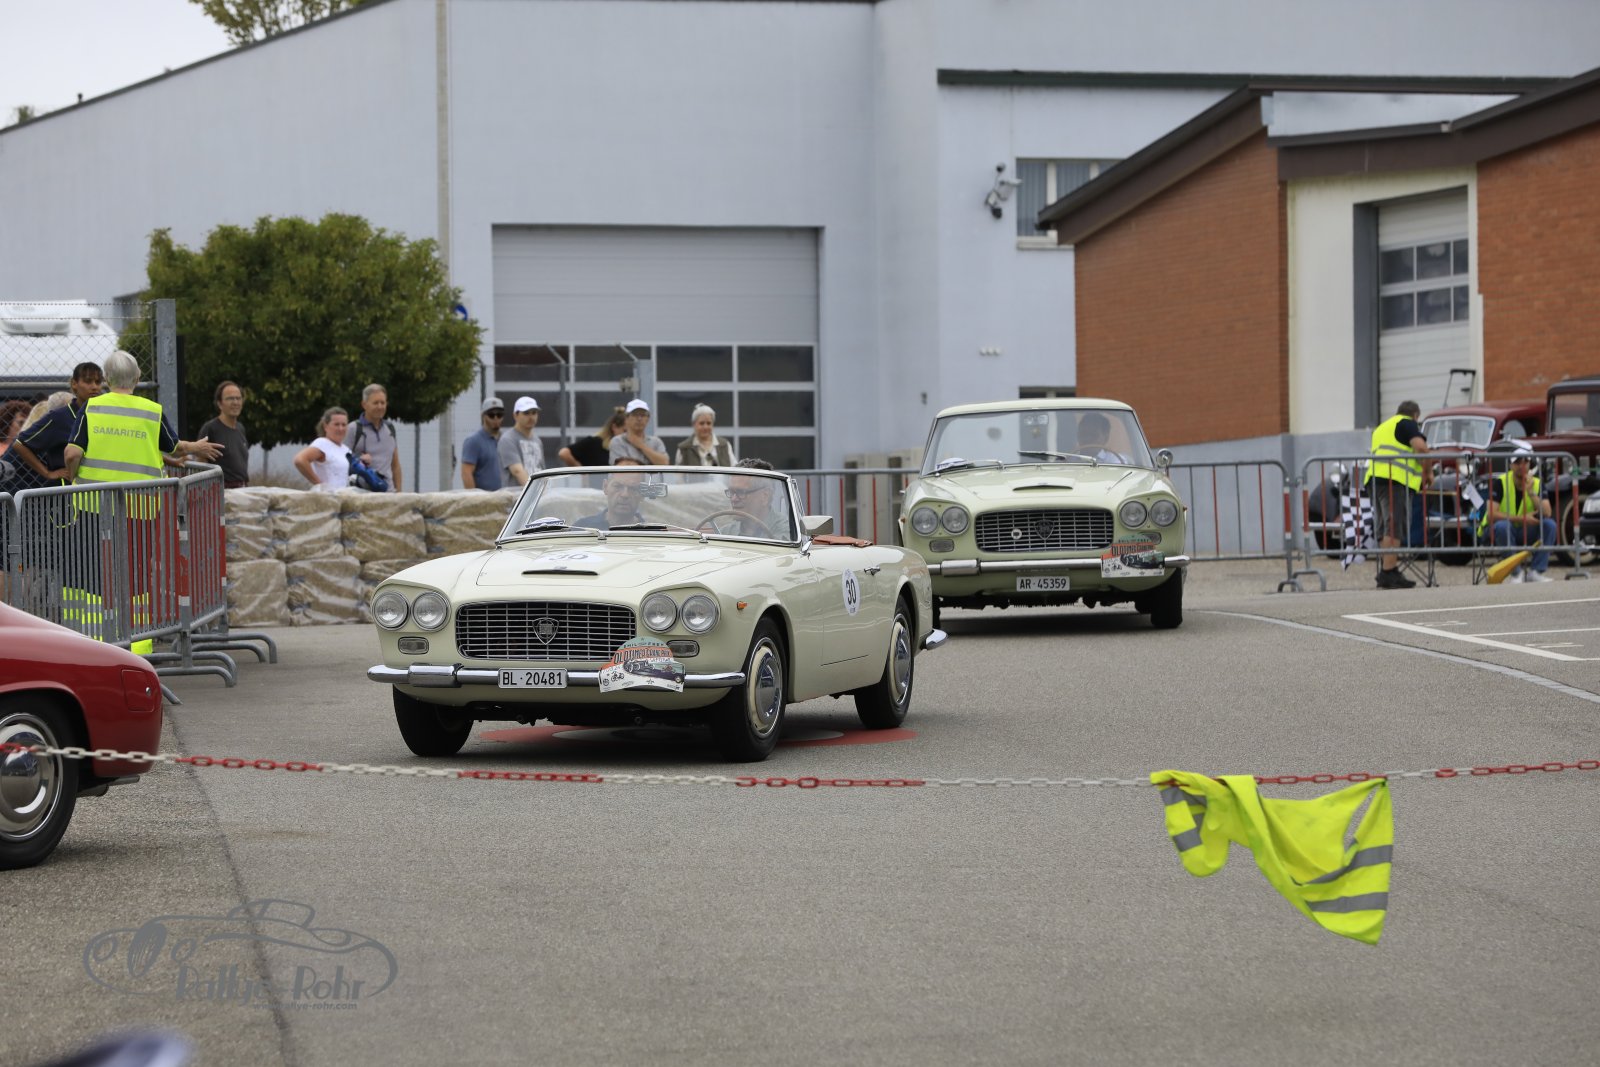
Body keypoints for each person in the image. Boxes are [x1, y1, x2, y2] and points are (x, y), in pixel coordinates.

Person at [1363, 399, 1430, 590]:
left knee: (1385, 526)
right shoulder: (1407, 423)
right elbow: (1421, 448)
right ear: (1415, 415)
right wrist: (1428, 472)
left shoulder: (1382, 427)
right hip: (1394, 481)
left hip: (1375, 480)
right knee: (1394, 525)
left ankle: (1388, 569)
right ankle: (1388, 572)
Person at [8, 362, 104, 487]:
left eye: (98, 382)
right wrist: (48, 473)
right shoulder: (59, 417)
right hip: (65, 492)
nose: (94, 387)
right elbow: (20, 444)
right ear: (74, 384)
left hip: (96, 488)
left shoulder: (103, 415)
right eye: (88, 381)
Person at [1479, 448, 1559, 583]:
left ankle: (1536, 572)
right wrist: (1522, 518)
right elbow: (1491, 515)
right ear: (1510, 465)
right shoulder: (1501, 482)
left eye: (1525, 462)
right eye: (1517, 462)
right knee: (1503, 526)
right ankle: (1516, 573)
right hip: (1497, 531)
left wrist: (1531, 493)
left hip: (1523, 531)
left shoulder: (1537, 483)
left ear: (1530, 464)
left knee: (1549, 525)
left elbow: (1547, 513)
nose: (1522, 466)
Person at [716, 458, 793, 539]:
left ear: (765, 496)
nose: (733, 499)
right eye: (732, 492)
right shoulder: (725, 532)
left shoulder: (787, 531)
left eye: (741, 492)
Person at [347, 382, 402, 492]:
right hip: (361, 495)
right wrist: (359, 460)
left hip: (388, 494)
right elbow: (341, 462)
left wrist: (399, 493)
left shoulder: (390, 428)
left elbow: (395, 465)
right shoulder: (353, 429)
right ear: (364, 404)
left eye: (383, 403)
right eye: (375, 403)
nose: (380, 407)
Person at [197, 381, 251, 488]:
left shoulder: (241, 428)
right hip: (221, 492)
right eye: (230, 398)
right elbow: (200, 465)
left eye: (238, 398)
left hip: (243, 490)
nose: (235, 402)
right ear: (219, 403)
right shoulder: (210, 429)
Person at [292, 407, 353, 492]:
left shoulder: (346, 449)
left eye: (344, 425)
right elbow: (300, 460)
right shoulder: (322, 443)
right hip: (325, 497)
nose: (341, 428)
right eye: (336, 424)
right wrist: (320, 485)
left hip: (343, 496)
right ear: (325, 426)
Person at [574, 469, 646, 530]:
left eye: (633, 488)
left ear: (642, 494)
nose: (625, 494)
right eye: (617, 486)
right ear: (605, 487)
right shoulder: (582, 528)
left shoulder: (650, 532)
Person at [498, 395, 545, 486]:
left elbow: (542, 470)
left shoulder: (537, 440)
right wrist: (534, 491)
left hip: (537, 492)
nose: (531, 417)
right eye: (526, 413)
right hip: (517, 494)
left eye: (534, 413)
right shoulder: (508, 439)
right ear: (515, 415)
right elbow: (517, 471)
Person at [460, 396, 505, 490]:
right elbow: (466, 473)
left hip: (506, 496)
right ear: (483, 416)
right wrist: (474, 497)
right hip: (485, 497)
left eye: (499, 415)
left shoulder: (506, 440)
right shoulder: (474, 441)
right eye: (491, 415)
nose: (496, 418)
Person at [560, 408, 627, 467]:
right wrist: (581, 471)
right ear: (614, 427)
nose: (627, 435)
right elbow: (564, 453)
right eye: (625, 431)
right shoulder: (594, 443)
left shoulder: (626, 448)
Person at [608, 398, 668, 465]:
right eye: (635, 415)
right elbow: (623, 466)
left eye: (643, 415)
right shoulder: (618, 441)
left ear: (648, 419)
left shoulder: (656, 442)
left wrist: (641, 446)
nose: (639, 419)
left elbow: (664, 463)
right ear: (626, 418)